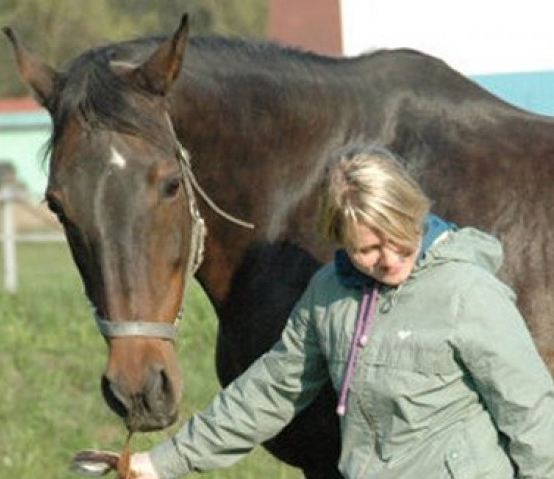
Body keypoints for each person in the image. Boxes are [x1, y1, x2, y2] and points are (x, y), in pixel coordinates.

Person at [129, 143, 554, 478]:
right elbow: (271, 388)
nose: (389, 259)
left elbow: (532, 412)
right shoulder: (328, 294)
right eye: (367, 249)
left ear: (416, 215)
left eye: (399, 237)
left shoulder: (468, 292)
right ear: (339, 240)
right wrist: (167, 462)